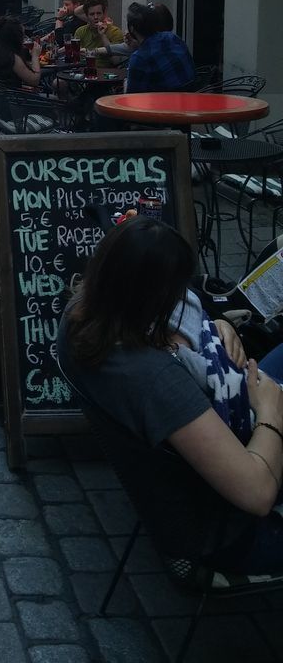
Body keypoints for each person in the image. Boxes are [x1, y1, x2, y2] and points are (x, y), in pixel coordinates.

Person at [58, 216, 283, 574]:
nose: (185, 299)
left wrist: (217, 326)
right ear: (154, 301)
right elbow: (257, 494)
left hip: (200, 463)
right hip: (230, 532)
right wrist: (271, 412)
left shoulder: (82, 313)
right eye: (179, 291)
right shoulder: (155, 380)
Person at [125, 2, 196, 94]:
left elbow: (132, 97)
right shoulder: (172, 37)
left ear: (131, 28)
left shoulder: (139, 58)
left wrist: (125, 86)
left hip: (163, 105)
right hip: (192, 98)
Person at [0, 15, 41, 88]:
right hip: (7, 97)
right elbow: (34, 80)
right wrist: (35, 56)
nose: (24, 38)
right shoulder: (10, 56)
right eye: (22, 34)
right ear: (16, 37)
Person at [73, 0, 126, 68]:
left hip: (106, 72)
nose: (95, 17)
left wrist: (102, 35)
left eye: (99, 13)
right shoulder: (81, 31)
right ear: (87, 16)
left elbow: (115, 60)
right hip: (84, 69)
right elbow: (76, 57)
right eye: (92, 14)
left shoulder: (115, 32)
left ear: (104, 14)